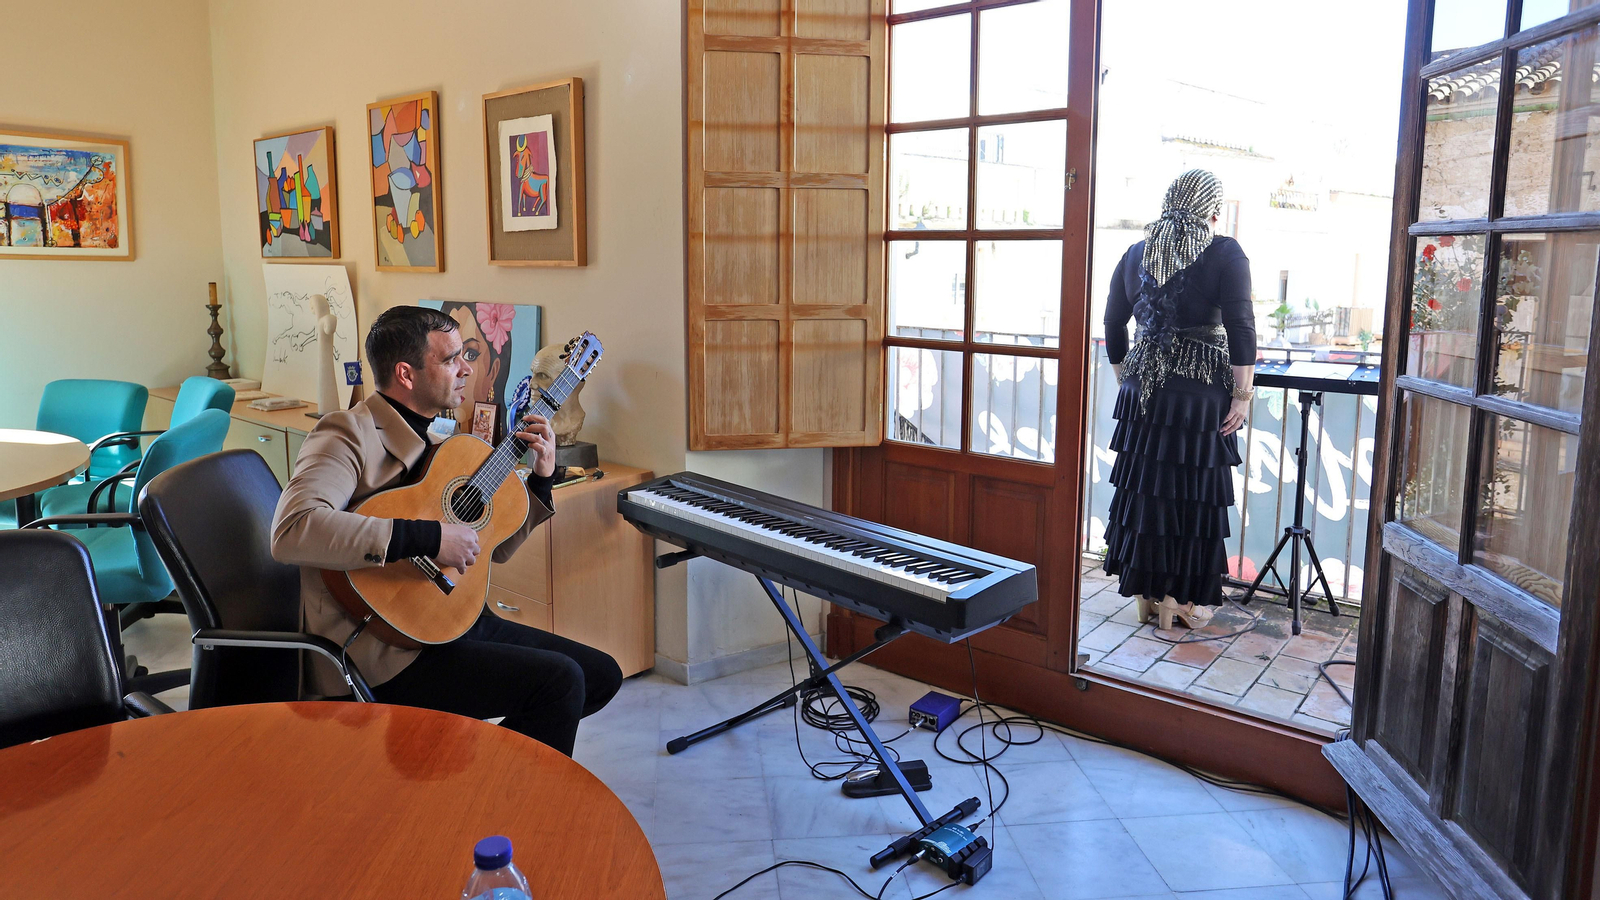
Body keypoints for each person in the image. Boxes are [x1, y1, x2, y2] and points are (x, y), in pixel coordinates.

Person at [271, 305, 621, 755]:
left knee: (599, 675)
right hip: (379, 648)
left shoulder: (442, 444)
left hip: (448, 615)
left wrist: (542, 477)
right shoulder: (345, 434)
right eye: (451, 358)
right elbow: (294, 529)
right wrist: (430, 538)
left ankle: (480, 779)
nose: (466, 368)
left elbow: (492, 549)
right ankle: (510, 807)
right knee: (560, 682)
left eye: (465, 355)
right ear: (406, 373)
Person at [1102, 170, 1256, 631]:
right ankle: (1180, 601)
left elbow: (1113, 325)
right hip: (1196, 396)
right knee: (1191, 497)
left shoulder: (1135, 253)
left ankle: (1147, 597)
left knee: (1148, 492)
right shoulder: (1224, 251)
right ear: (1212, 210)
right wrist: (1243, 394)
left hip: (1142, 391)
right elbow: (1241, 326)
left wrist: (1124, 378)